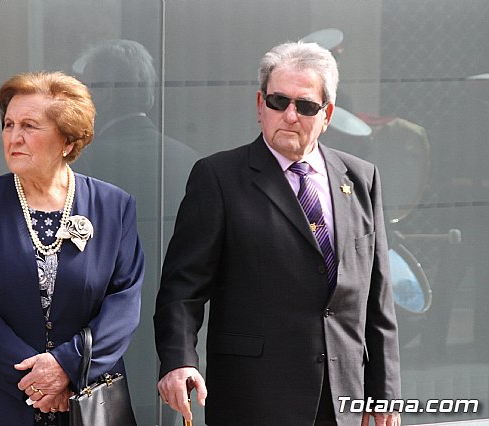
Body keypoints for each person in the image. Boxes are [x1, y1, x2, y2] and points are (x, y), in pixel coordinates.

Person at [154, 42, 401, 426]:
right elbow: (182, 289)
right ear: (259, 105)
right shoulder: (218, 178)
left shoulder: (361, 178)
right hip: (253, 397)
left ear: (327, 114)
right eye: (278, 101)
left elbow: (378, 301)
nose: (290, 115)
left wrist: (384, 395)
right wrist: (178, 361)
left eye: (305, 106)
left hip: (343, 400)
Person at [0, 71, 144, 425]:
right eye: (8, 124)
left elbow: (123, 302)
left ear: (67, 141)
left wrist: (67, 367)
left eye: (29, 126)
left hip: (87, 402)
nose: (13, 137)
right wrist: (37, 382)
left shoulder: (114, 206)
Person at [72, 39, 199, 423]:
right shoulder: (188, 159)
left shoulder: (84, 164)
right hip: (174, 345)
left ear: (109, 93)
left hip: (100, 343)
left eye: (89, 86)